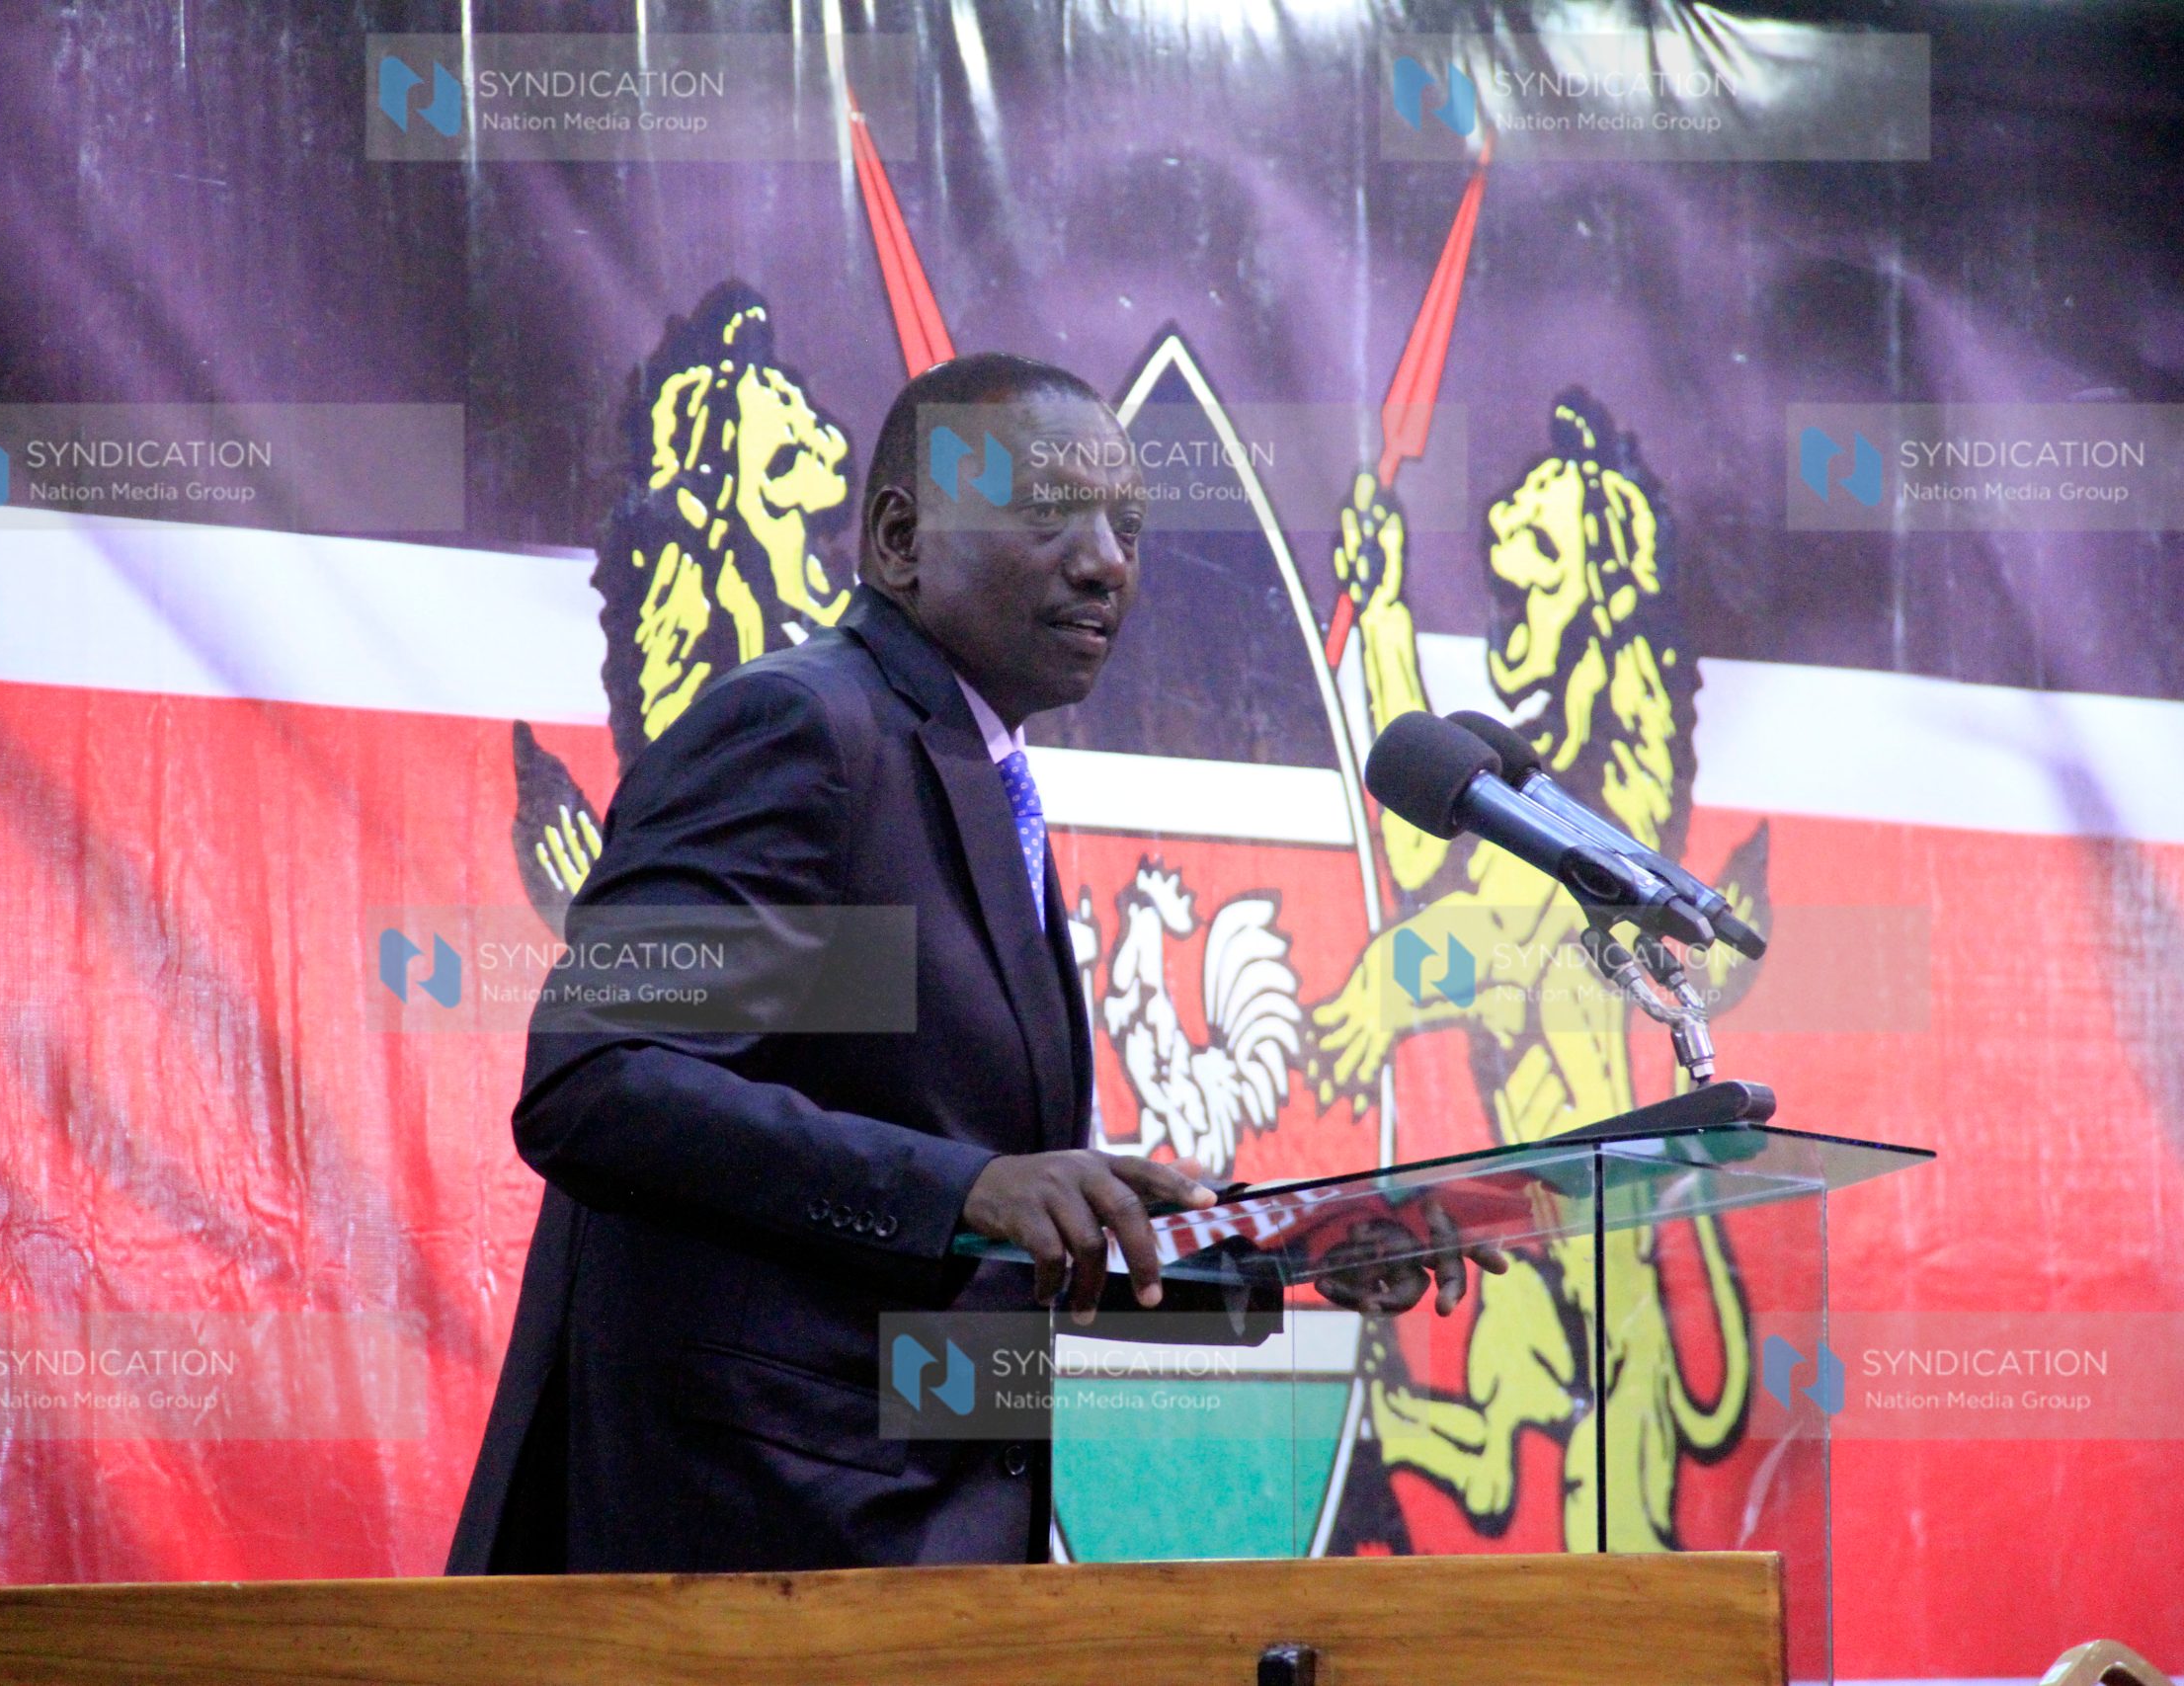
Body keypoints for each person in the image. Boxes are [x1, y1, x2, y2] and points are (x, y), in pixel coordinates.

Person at [446, 353, 1488, 1576]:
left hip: (923, 1563)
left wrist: (1282, 1255)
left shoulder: (965, 771)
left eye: (1128, 527)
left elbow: (958, 1252)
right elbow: (602, 1083)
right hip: (745, 1560)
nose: (1106, 561)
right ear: (900, 538)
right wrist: (965, 1186)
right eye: (1047, 515)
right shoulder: (797, 731)